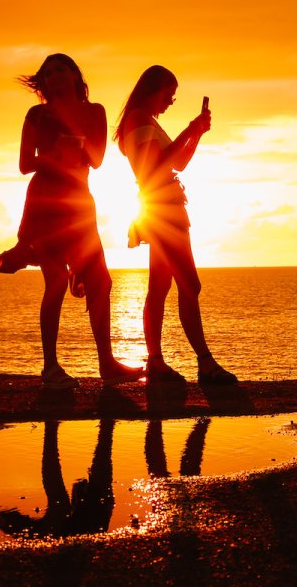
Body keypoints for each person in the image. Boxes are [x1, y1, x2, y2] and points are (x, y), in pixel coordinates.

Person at [0, 53, 143, 390]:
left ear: (75, 74)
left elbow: (98, 158)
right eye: (47, 73)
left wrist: (75, 144)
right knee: (56, 281)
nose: (54, 76)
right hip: (45, 203)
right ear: (43, 84)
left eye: (60, 69)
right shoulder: (37, 114)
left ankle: (107, 364)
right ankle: (50, 368)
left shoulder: (95, 112)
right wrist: (53, 154)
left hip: (78, 204)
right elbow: (23, 164)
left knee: (101, 281)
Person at [113, 66, 236, 385]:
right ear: (153, 90)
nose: (170, 102)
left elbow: (179, 162)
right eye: (169, 95)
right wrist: (188, 128)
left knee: (160, 287)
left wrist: (196, 133)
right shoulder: (139, 119)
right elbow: (155, 165)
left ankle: (156, 361)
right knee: (188, 284)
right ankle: (204, 363)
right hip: (162, 208)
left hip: (162, 206)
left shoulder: (147, 121)